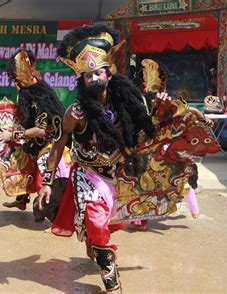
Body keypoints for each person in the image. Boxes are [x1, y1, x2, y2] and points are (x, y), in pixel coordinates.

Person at [38, 24, 158, 292]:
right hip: (88, 175)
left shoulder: (127, 102)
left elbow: (145, 131)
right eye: (88, 75)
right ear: (81, 81)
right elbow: (59, 144)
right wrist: (47, 181)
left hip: (118, 173)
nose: (94, 78)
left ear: (109, 73)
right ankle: (111, 279)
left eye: (98, 72)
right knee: (94, 220)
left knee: (106, 226)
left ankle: (96, 244)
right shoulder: (76, 113)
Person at [0, 49, 70, 213]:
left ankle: (58, 220)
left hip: (51, 148)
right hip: (37, 146)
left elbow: (40, 131)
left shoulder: (37, 97)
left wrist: (11, 135)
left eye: (15, 79)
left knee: (44, 184)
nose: (14, 83)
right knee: (19, 163)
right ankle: (22, 199)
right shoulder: (30, 91)